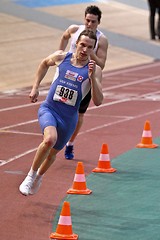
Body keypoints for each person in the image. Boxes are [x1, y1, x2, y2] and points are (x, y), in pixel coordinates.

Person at [19, 29, 103, 196]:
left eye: (90, 47)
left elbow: (98, 101)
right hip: (50, 108)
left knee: (53, 153)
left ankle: (39, 177)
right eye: (82, 45)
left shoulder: (95, 70)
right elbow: (44, 63)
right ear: (77, 44)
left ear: (93, 49)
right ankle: (30, 176)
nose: (85, 50)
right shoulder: (61, 57)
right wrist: (35, 87)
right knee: (50, 139)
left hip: (69, 118)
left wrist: (92, 78)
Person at [59, 5, 108, 160]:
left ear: (98, 22)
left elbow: (102, 64)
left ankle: (70, 142)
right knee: (57, 104)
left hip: (84, 78)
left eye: (93, 21)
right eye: (87, 20)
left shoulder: (102, 39)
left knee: (79, 113)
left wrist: (91, 51)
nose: (89, 24)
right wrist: (60, 53)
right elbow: (64, 37)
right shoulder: (74, 30)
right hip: (66, 72)